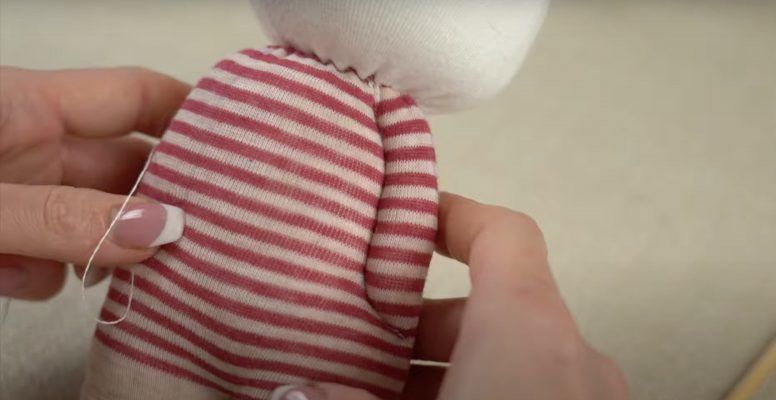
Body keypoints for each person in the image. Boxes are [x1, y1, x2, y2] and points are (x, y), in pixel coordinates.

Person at [0, 67, 628, 400]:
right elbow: (397, 261)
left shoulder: (244, 75)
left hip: (159, 339)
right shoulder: (390, 121)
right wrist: (385, 320)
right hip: (269, 357)